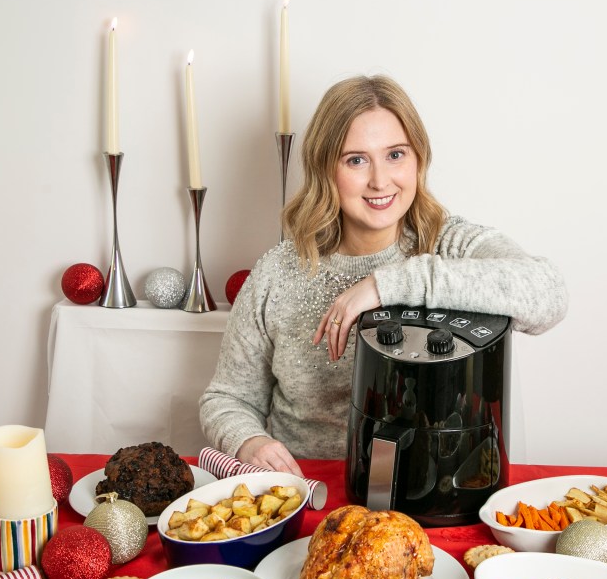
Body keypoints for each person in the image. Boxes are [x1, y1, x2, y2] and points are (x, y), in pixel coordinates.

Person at [200, 75, 567, 475]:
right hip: (310, 490)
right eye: (356, 160)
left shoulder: (452, 245)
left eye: (395, 154)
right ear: (326, 169)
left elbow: (548, 295)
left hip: (433, 488)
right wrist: (249, 440)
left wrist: (386, 283)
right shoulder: (277, 272)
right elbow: (227, 397)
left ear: (418, 158)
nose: (379, 180)